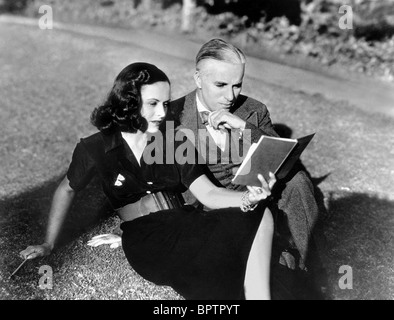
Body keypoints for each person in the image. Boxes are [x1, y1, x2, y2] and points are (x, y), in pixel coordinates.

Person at [20, 62, 277, 300]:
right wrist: (48, 243)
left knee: (259, 215)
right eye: (153, 104)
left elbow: (208, 193)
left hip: (186, 221)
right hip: (148, 238)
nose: (162, 113)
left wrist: (247, 198)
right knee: (213, 261)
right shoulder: (96, 148)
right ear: (129, 103)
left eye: (165, 104)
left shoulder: (174, 140)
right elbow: (66, 189)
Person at [167, 39, 321, 292]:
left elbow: (277, 152)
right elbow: (162, 181)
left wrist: (243, 127)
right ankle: (274, 260)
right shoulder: (174, 116)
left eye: (237, 85)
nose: (230, 96)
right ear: (198, 79)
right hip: (212, 204)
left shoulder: (253, 110)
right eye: (220, 85)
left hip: (261, 193)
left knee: (298, 182)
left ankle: (304, 269)